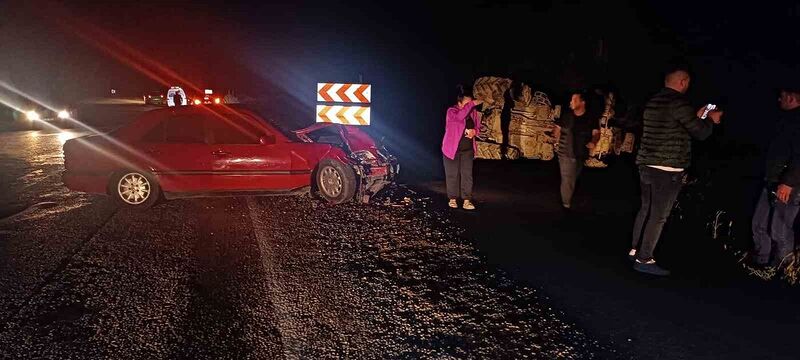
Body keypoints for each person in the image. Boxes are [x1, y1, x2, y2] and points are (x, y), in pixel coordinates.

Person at [629, 68, 723, 276]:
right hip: (667, 168)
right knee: (658, 215)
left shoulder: (654, 101)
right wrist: (711, 120)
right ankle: (644, 259)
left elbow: (676, 124)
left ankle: (635, 249)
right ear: (682, 82)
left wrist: (696, 115)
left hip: (646, 163)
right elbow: (701, 133)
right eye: (687, 82)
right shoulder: (679, 102)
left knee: (646, 208)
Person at [750, 87, 800, 270]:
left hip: (789, 185)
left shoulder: (796, 121)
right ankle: (761, 262)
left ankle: (784, 268)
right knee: (759, 224)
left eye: (782, 97)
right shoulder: (784, 120)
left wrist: (788, 182)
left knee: (780, 229)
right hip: (772, 180)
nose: (779, 100)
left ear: (791, 98)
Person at [552, 90, 597, 211]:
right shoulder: (567, 116)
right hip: (566, 152)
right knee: (568, 178)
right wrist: (555, 141)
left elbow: (596, 133)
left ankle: (568, 201)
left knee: (572, 177)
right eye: (571, 100)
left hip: (580, 153)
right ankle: (566, 205)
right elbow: (557, 128)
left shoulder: (590, 118)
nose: (571, 102)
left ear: (582, 102)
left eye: (574, 100)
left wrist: (593, 142)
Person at [442, 85, 482, 210]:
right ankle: (452, 199)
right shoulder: (452, 112)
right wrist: (472, 104)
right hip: (451, 150)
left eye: (471, 104)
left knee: (467, 175)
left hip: (467, 150)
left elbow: (479, 128)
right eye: (467, 104)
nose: (470, 106)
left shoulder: (473, 113)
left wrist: (475, 132)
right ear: (459, 103)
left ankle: (466, 200)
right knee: (452, 175)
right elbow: (460, 118)